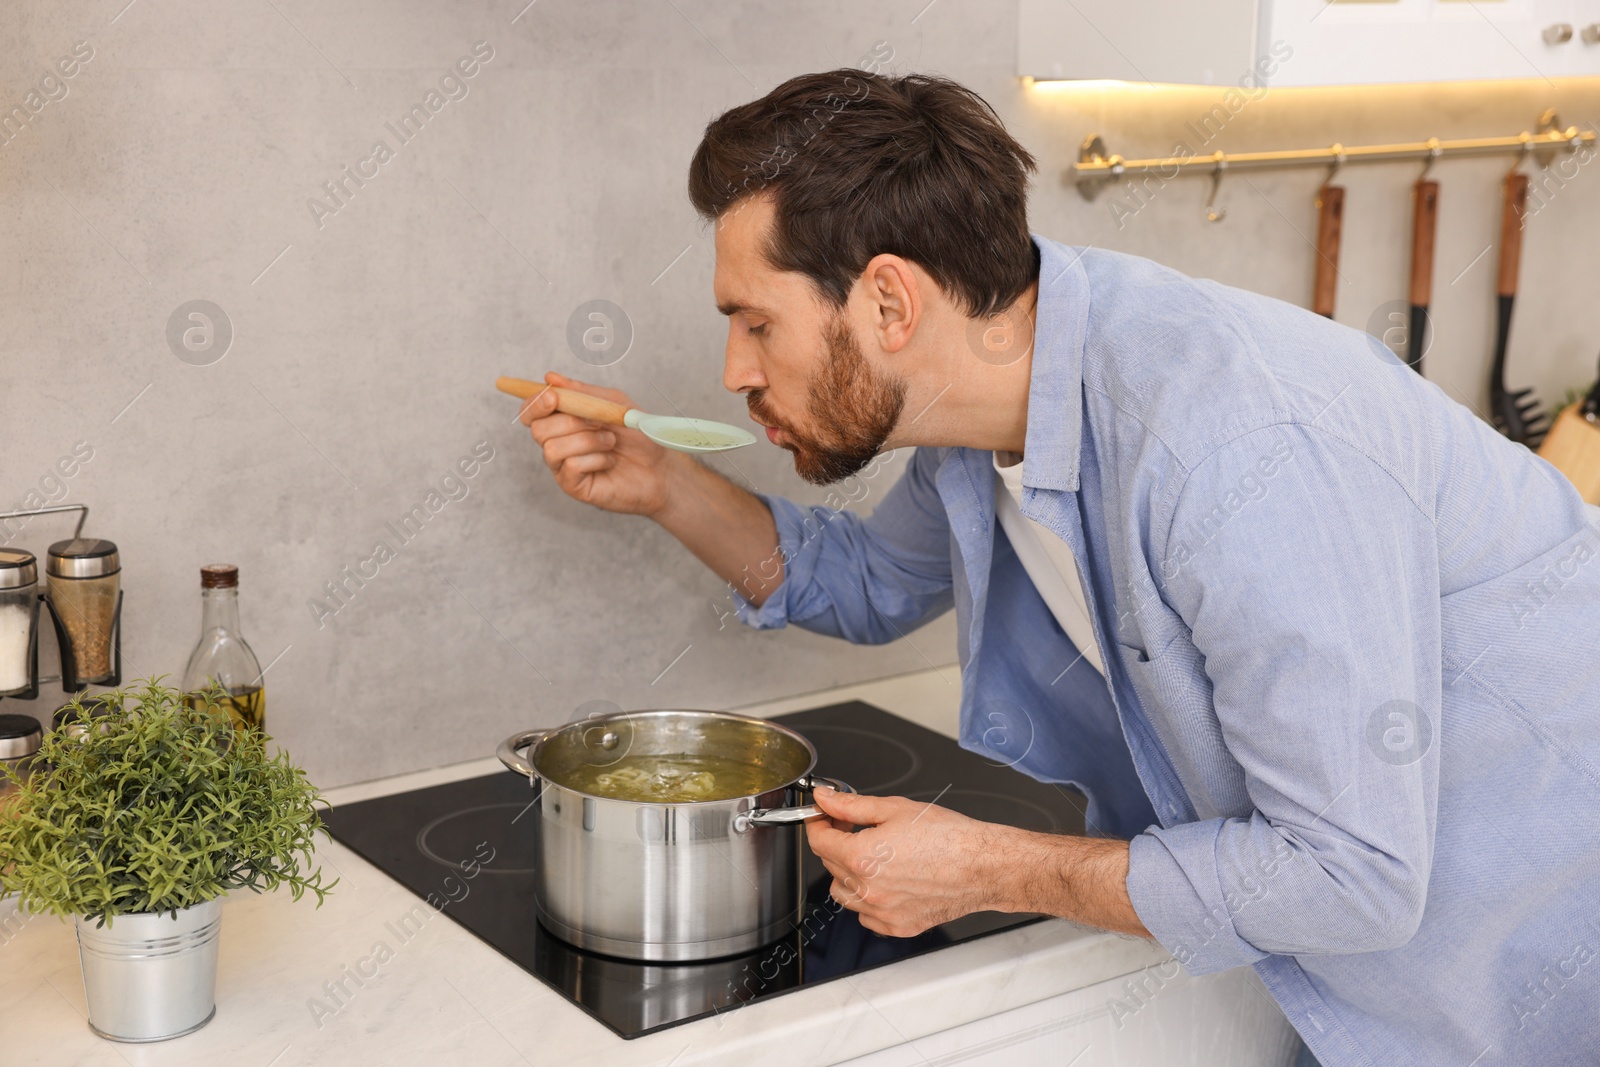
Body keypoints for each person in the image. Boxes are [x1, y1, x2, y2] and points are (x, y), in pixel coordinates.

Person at [518, 70, 1600, 1066]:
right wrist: (659, 480)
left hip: (1528, 962)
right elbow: (862, 584)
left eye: (756, 322)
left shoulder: (1230, 453)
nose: (732, 370)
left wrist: (984, 864)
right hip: (1364, 962)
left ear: (890, 303)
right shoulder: (984, 405)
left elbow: (1349, 874)